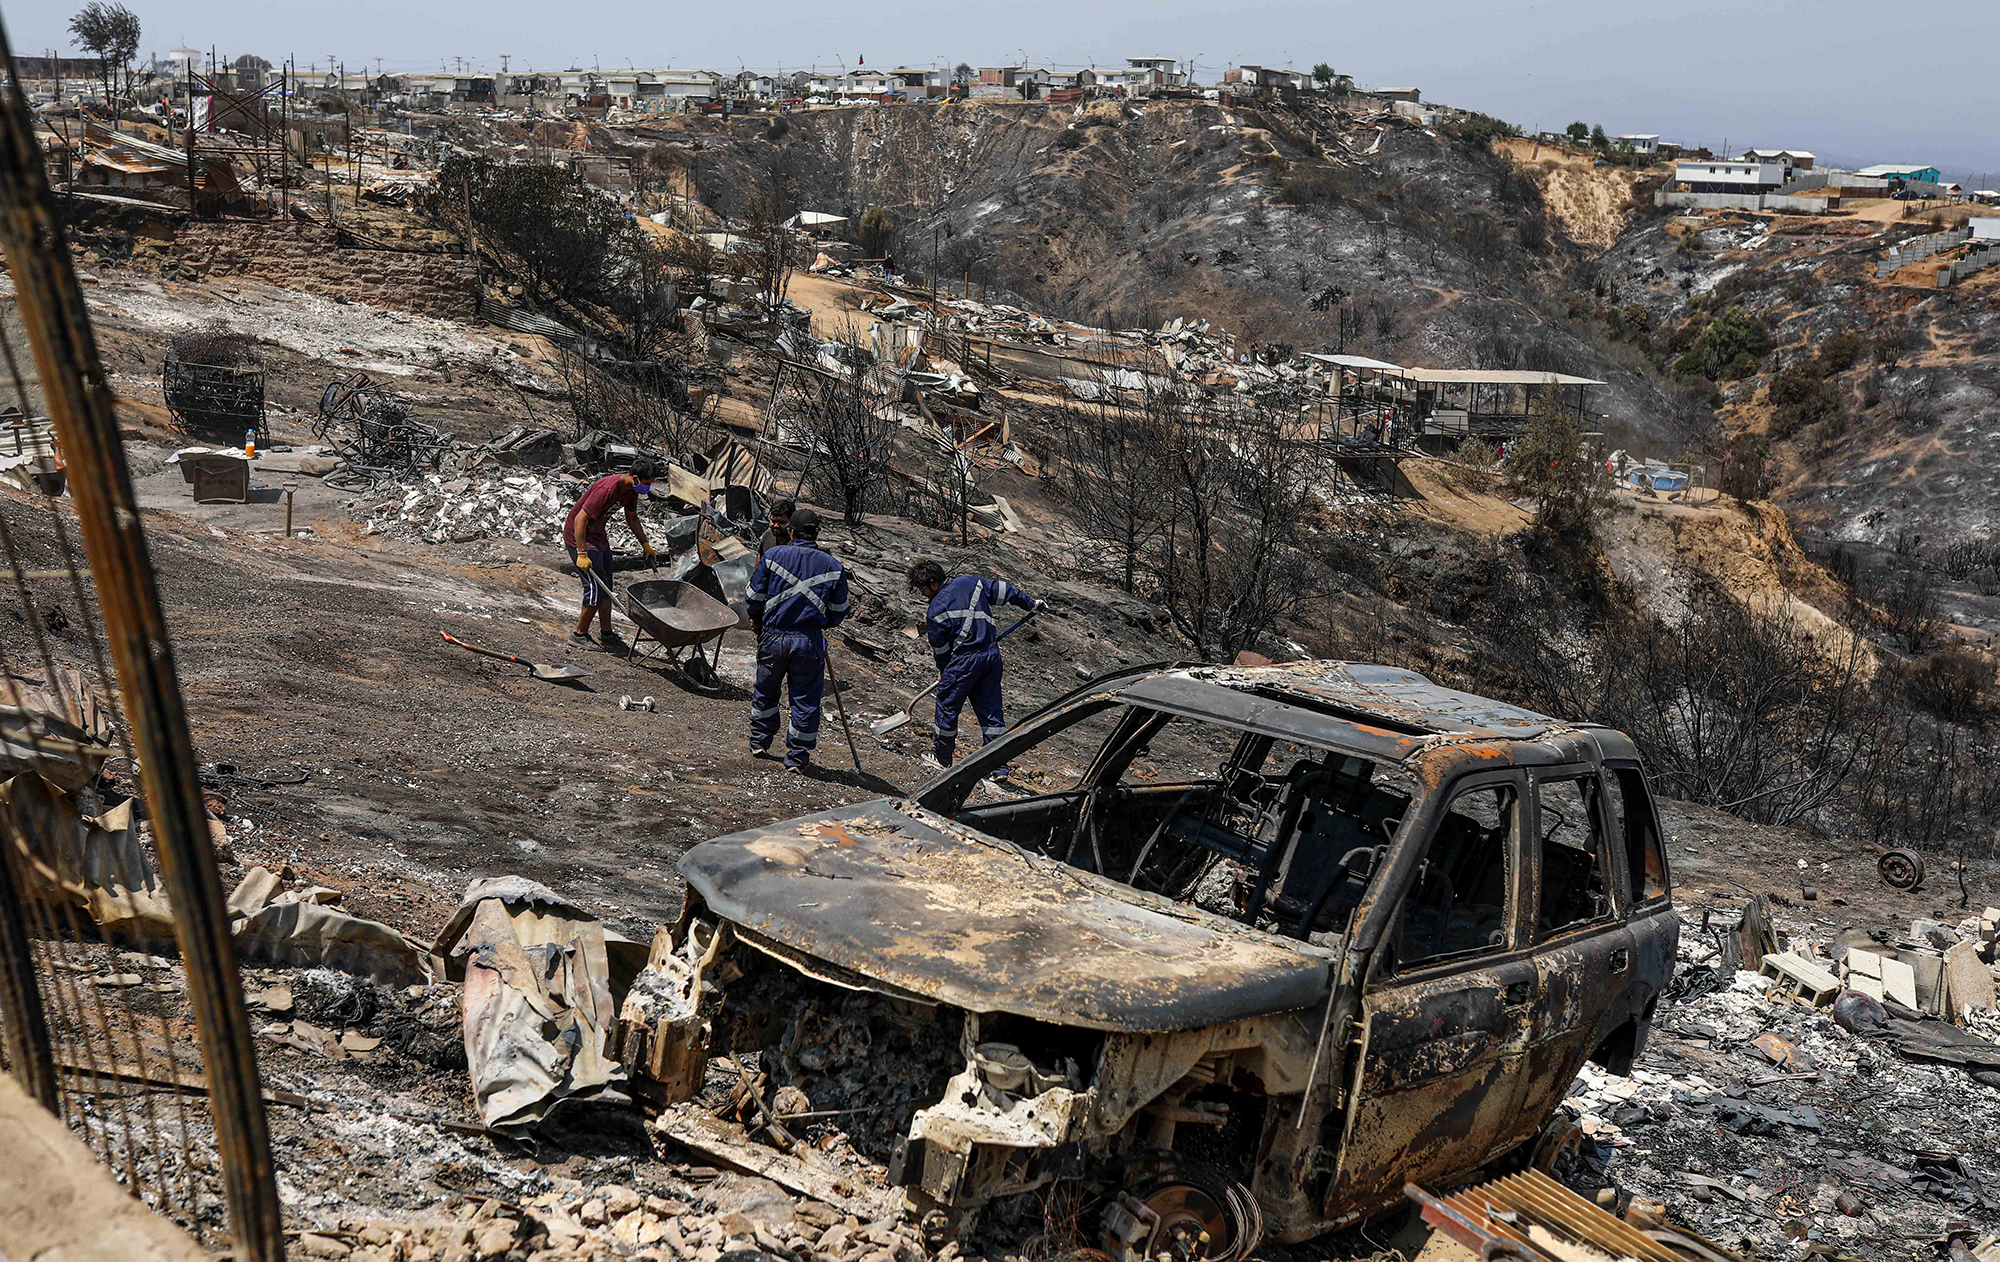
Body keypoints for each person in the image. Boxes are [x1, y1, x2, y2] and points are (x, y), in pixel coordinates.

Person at [908, 560, 1040, 770]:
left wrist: (944, 671)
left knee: (947, 708)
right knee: (991, 712)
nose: (923, 593)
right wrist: (1031, 603)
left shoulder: (936, 610)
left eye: (922, 589)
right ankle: (997, 767)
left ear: (933, 583)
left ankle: (941, 758)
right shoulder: (972, 582)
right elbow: (1005, 591)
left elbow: (941, 650)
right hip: (991, 657)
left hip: (964, 662)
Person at [746, 508, 850, 771]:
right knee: (804, 700)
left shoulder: (773, 556)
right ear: (816, 534)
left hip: (773, 636)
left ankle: (760, 741)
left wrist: (757, 620)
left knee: (766, 690)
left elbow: (754, 597)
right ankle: (797, 757)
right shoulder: (834, 566)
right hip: (808, 640)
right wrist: (819, 623)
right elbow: (839, 611)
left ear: (791, 532)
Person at [563, 461, 659, 646]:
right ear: (636, 478)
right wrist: (581, 554)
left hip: (598, 536)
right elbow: (579, 520)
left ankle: (606, 633)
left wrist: (645, 545)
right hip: (580, 537)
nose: (648, 487)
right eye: (647, 483)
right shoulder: (607, 489)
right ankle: (579, 635)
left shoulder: (632, 490)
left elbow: (632, 517)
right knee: (595, 587)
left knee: (607, 585)